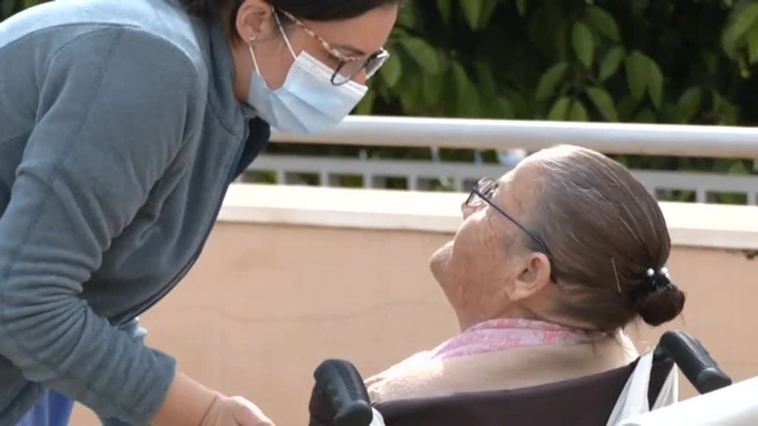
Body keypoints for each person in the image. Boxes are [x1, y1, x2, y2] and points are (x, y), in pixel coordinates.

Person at [0, 0, 399, 424]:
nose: (356, 84)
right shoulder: (152, 66)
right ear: (256, 20)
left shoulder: (221, 101)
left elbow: (90, 295)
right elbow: (25, 303)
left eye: (369, 63)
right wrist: (203, 414)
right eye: (340, 58)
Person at [366, 145, 686, 404]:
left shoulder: (392, 405)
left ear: (528, 273)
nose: (468, 207)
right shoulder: (630, 381)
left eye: (491, 201)